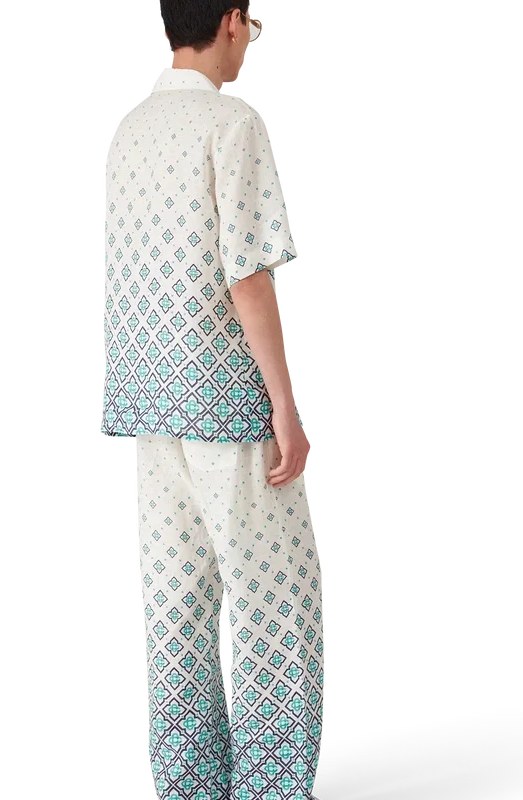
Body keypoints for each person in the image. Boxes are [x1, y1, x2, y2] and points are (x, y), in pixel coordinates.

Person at [101, 3, 325, 798]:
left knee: (175, 606)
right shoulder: (232, 123)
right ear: (232, 21)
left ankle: (185, 784)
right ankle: (271, 786)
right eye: (253, 21)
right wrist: (286, 409)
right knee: (269, 601)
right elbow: (247, 275)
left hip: (146, 399)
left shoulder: (127, 127)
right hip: (227, 402)